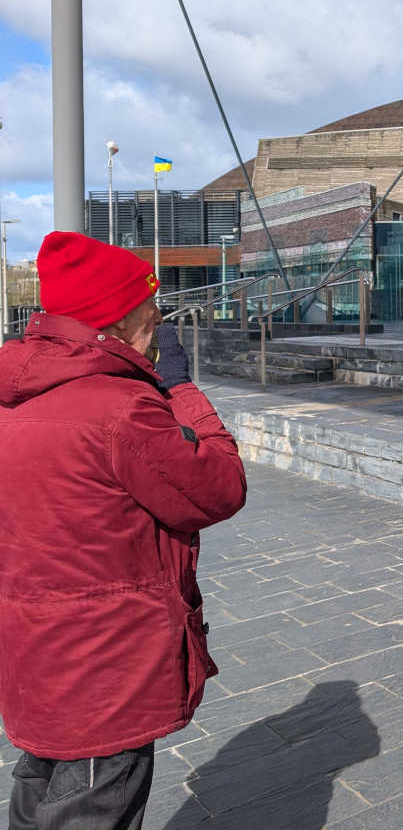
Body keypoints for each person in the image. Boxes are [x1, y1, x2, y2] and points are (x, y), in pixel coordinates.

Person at [0, 232, 248, 830]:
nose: (158, 326)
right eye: (150, 313)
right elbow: (218, 489)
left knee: (40, 787)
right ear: (114, 320)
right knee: (94, 800)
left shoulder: (13, 396)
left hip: (36, 650)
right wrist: (183, 393)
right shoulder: (120, 407)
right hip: (105, 660)